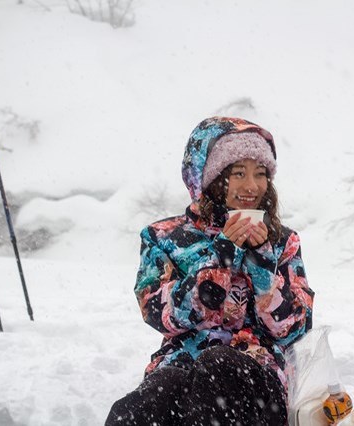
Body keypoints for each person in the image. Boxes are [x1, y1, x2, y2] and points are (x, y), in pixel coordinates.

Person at [106, 116, 314, 425]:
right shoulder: (163, 237)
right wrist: (221, 256)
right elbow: (158, 313)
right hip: (181, 365)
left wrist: (260, 266)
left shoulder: (283, 241)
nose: (252, 186)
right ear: (207, 177)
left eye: (260, 174)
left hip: (257, 376)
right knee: (143, 405)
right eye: (238, 173)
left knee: (220, 367)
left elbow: (296, 327)